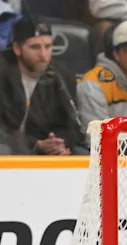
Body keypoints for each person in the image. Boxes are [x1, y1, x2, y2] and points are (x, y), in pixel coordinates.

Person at [0, 16, 86, 155]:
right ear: (17, 48)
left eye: (48, 46)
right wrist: (36, 144)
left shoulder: (62, 76)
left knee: (84, 154)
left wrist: (59, 143)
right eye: (35, 47)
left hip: (45, 148)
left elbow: (71, 124)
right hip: (10, 147)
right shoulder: (3, 72)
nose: (43, 55)